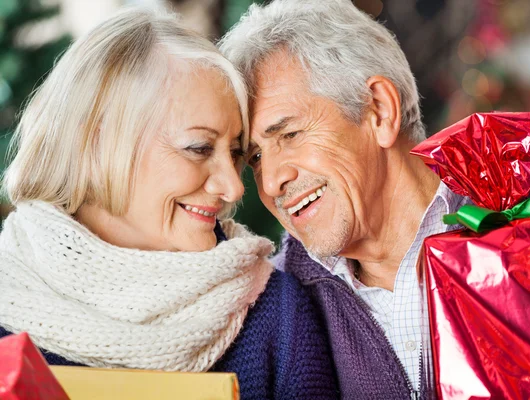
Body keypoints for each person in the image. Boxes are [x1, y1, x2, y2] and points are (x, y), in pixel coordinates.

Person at [218, 0, 530, 398]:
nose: (272, 181)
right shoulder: (276, 309)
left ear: (380, 111)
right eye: (256, 158)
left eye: (290, 135)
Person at [0, 8, 339, 399]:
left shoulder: (276, 315)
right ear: (94, 145)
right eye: (198, 148)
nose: (233, 187)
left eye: (234, 153)